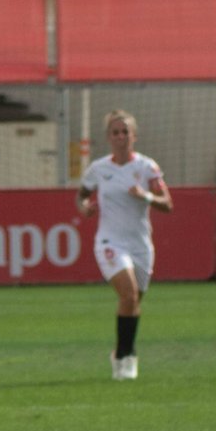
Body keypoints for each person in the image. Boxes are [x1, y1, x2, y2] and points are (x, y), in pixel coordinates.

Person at [74, 110, 172, 381]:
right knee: (128, 296)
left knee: (133, 302)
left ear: (134, 136)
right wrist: (84, 208)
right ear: (108, 138)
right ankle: (127, 358)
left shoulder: (146, 167)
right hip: (110, 241)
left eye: (125, 132)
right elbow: (81, 196)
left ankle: (121, 350)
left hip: (140, 244)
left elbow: (168, 204)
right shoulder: (99, 169)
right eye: (115, 132)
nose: (121, 137)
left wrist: (147, 196)